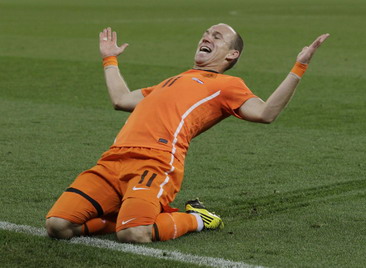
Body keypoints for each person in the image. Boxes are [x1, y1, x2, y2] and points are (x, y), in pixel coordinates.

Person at [45, 24, 329, 243]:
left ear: (232, 54)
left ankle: (197, 219)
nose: (206, 37)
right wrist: (109, 60)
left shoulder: (226, 84)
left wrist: (299, 66)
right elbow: (121, 99)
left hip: (156, 162)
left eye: (217, 37)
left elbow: (266, 113)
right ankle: (126, 213)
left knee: (134, 234)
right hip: (112, 160)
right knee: (58, 226)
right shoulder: (171, 80)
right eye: (206, 34)